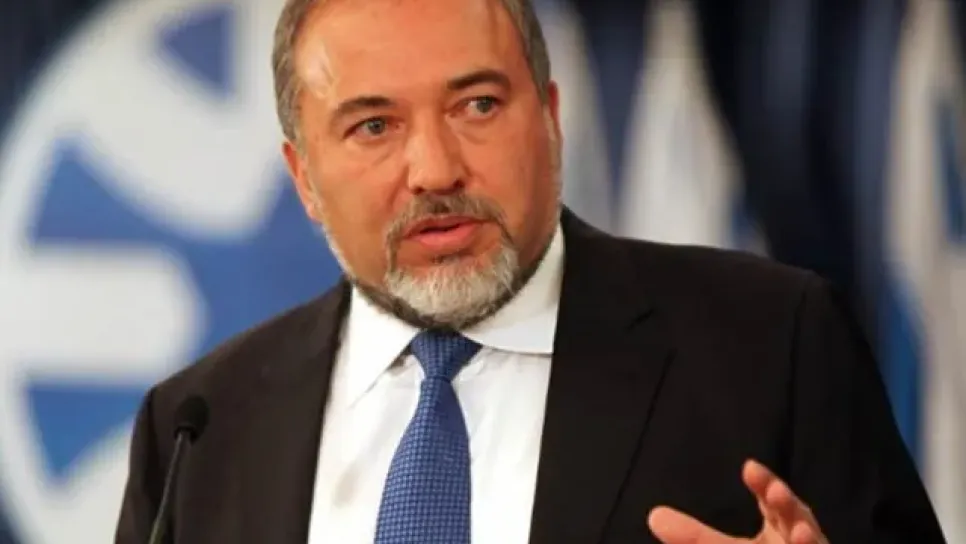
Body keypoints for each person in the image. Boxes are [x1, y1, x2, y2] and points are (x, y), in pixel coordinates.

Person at [114, 0, 948, 542]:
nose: (435, 169)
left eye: (477, 106)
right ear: (303, 177)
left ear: (549, 118)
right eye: (373, 126)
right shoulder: (201, 426)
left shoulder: (771, 344)